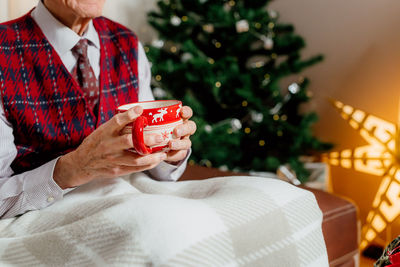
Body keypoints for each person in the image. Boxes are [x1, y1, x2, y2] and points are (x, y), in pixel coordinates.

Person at [0, 0, 196, 219]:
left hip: (133, 203)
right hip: (43, 218)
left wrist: (170, 153)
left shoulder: (127, 42)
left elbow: (158, 170)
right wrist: (73, 168)